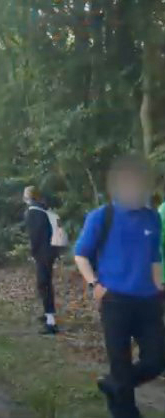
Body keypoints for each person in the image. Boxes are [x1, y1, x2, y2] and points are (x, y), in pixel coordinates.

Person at [74, 155, 165, 418]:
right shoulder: (102, 217)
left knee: (156, 360)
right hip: (115, 301)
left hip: (148, 301)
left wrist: (159, 285)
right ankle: (124, 409)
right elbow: (81, 254)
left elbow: (154, 256)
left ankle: (114, 384)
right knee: (121, 362)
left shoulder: (151, 218)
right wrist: (94, 284)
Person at [23, 186, 59, 334]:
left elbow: (35, 236)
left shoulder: (32, 212)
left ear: (29, 197)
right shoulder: (43, 209)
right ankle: (48, 314)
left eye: (24, 194)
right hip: (50, 251)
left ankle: (51, 322)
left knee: (43, 284)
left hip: (42, 253)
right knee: (46, 283)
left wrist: (33, 252)